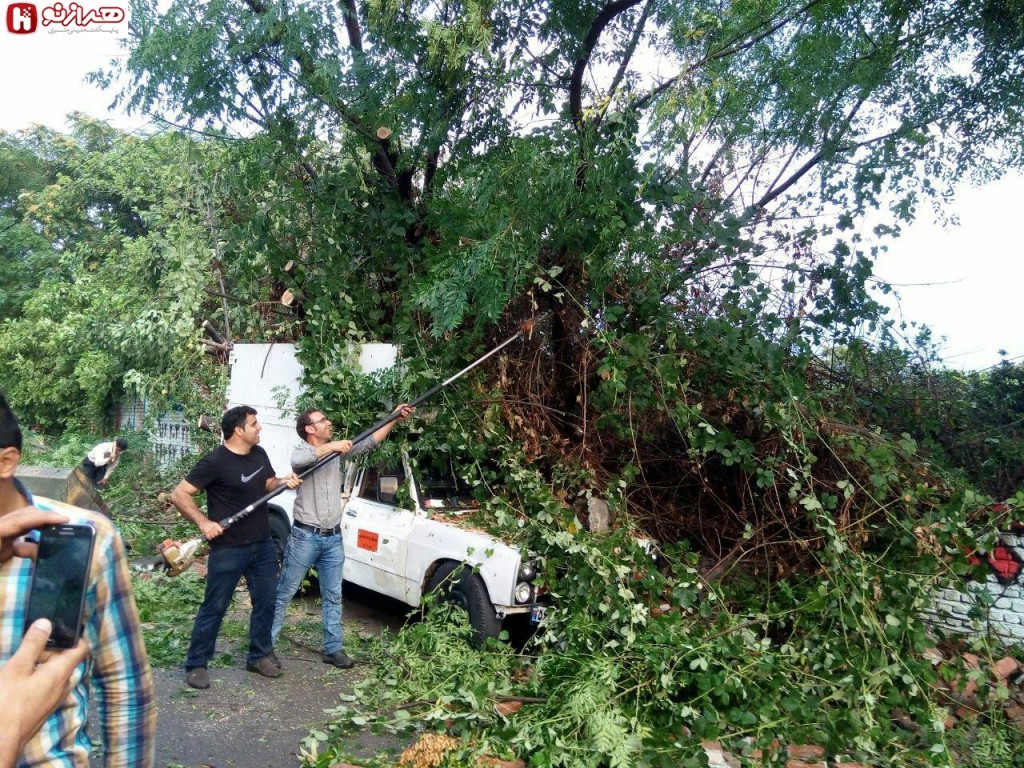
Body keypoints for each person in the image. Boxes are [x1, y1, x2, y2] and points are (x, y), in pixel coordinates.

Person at [0, 391, 156, 767]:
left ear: (5, 461)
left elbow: (125, 686)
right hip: (83, 475)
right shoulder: (101, 451)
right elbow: (90, 471)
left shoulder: (95, 539)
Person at [271, 403, 413, 668]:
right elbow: (300, 461)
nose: (329, 422)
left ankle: (333, 649)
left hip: (333, 538)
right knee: (285, 592)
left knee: (334, 595)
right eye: (323, 420)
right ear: (309, 428)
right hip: (305, 537)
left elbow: (370, 441)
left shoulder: (335, 452)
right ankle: (265, 647)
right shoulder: (304, 451)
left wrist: (394, 417)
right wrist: (334, 446)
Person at [170, 405, 301, 690]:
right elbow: (180, 494)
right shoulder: (215, 462)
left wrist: (283, 482)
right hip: (229, 548)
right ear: (239, 430)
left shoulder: (259, 454)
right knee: (215, 606)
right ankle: (197, 664)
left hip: (262, 544)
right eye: (254, 424)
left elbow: (268, 483)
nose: (260, 428)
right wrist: (204, 523)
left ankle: (259, 655)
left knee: (266, 601)